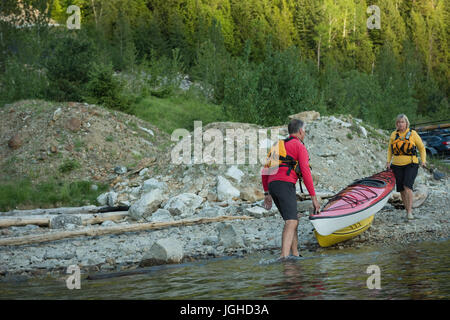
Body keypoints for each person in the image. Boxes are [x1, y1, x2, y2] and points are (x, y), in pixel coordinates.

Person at [261, 119, 320, 259]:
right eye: (304, 130)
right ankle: (284, 257)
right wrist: (314, 198)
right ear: (300, 131)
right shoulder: (299, 146)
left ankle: (295, 254)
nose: (304, 133)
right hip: (284, 184)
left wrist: (267, 193)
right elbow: (306, 172)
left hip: (273, 185)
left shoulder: (277, 144)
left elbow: (265, 170)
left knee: (292, 219)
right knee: (291, 221)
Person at [386, 114, 426, 220]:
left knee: (407, 187)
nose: (400, 124)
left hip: (411, 164)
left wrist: (423, 161)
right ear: (396, 124)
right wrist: (388, 162)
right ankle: (407, 209)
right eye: (398, 122)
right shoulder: (394, 134)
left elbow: (422, 148)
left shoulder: (413, 134)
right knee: (401, 190)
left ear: (406, 123)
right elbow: (390, 150)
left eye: (402, 122)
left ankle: (409, 212)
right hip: (396, 165)